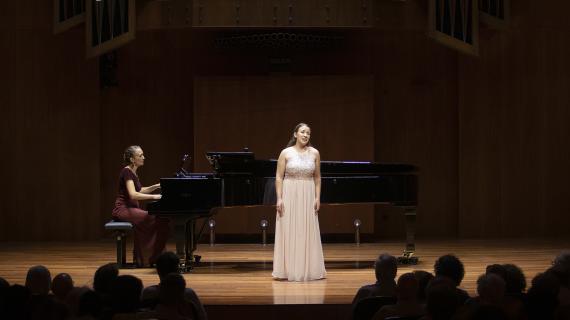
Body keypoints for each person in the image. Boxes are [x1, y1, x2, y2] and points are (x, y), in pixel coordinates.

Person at [272, 122, 326, 281]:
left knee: (306, 230)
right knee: (289, 229)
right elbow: (278, 177)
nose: (305, 135)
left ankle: (307, 269)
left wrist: (318, 197)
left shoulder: (315, 153)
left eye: (308, 133)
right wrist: (279, 198)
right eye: (302, 132)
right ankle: (288, 270)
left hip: (307, 194)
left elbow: (317, 177)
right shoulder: (285, 153)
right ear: (295, 134)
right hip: (289, 193)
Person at [112, 145, 170, 267]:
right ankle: (149, 258)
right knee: (153, 217)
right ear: (132, 159)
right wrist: (156, 196)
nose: (144, 157)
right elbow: (133, 195)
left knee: (160, 218)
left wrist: (156, 186)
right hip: (123, 209)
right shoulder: (126, 171)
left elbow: (140, 190)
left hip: (131, 209)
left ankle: (154, 256)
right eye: (140, 155)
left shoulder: (132, 172)